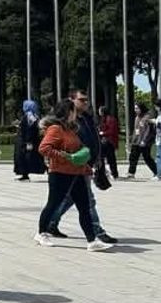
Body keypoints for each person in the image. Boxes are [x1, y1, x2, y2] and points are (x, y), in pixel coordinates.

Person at [34, 99, 112, 251]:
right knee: (53, 204)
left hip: (77, 173)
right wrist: (65, 156)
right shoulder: (55, 129)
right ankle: (41, 233)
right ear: (68, 112)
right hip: (60, 173)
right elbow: (44, 148)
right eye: (74, 111)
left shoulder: (71, 129)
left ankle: (92, 240)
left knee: (84, 207)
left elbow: (78, 149)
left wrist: (85, 160)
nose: (76, 114)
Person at [14, 100, 47, 181]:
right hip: (29, 141)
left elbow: (29, 130)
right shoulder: (34, 116)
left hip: (26, 142)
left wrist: (28, 142)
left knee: (25, 158)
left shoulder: (30, 117)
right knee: (27, 158)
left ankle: (26, 174)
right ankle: (24, 174)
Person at [124, 103, 157, 179]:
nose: (136, 110)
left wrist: (144, 140)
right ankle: (131, 173)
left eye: (137, 108)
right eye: (135, 108)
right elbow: (136, 130)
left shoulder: (147, 117)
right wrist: (132, 139)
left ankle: (156, 172)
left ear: (141, 108)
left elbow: (149, 131)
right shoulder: (137, 118)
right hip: (136, 141)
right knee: (133, 157)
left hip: (144, 142)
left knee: (147, 158)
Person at [98, 105, 121, 179]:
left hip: (109, 141)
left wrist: (102, 133)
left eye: (100, 111)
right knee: (104, 157)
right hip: (105, 141)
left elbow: (112, 131)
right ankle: (106, 172)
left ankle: (114, 173)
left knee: (110, 158)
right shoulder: (103, 119)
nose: (99, 112)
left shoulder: (111, 119)